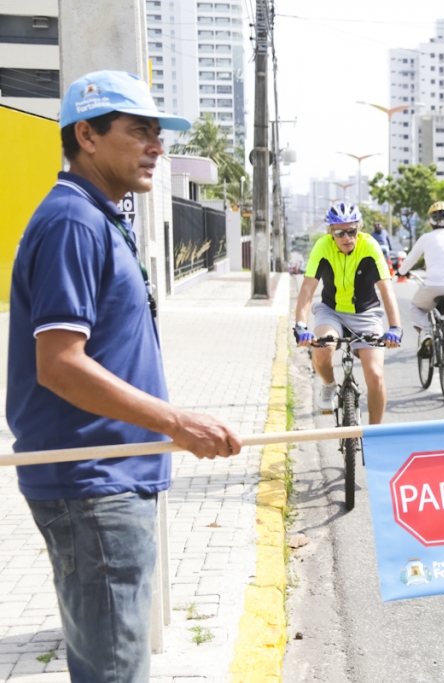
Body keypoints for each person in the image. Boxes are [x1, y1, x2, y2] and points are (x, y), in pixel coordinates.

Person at [6, 70, 242, 683]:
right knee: (115, 672)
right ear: (86, 134)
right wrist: (177, 421)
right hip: (93, 485)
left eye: (158, 134)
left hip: (109, 478)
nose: (157, 146)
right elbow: (59, 364)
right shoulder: (72, 224)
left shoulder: (97, 216)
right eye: (140, 131)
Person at [294, 202, 402, 421]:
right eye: (339, 232)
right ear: (330, 233)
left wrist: (395, 328)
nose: (346, 238)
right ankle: (329, 385)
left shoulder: (370, 246)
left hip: (366, 314)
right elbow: (307, 289)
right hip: (331, 311)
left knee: (376, 375)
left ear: (359, 229)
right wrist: (301, 326)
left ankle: (374, 436)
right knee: (323, 350)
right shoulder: (322, 247)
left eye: (351, 231)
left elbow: (386, 288)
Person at [397, 201, 444, 359]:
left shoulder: (426, 238)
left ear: (431, 221)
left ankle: (426, 332)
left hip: (433, 287)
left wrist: (400, 272)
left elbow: (410, 260)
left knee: (415, 308)